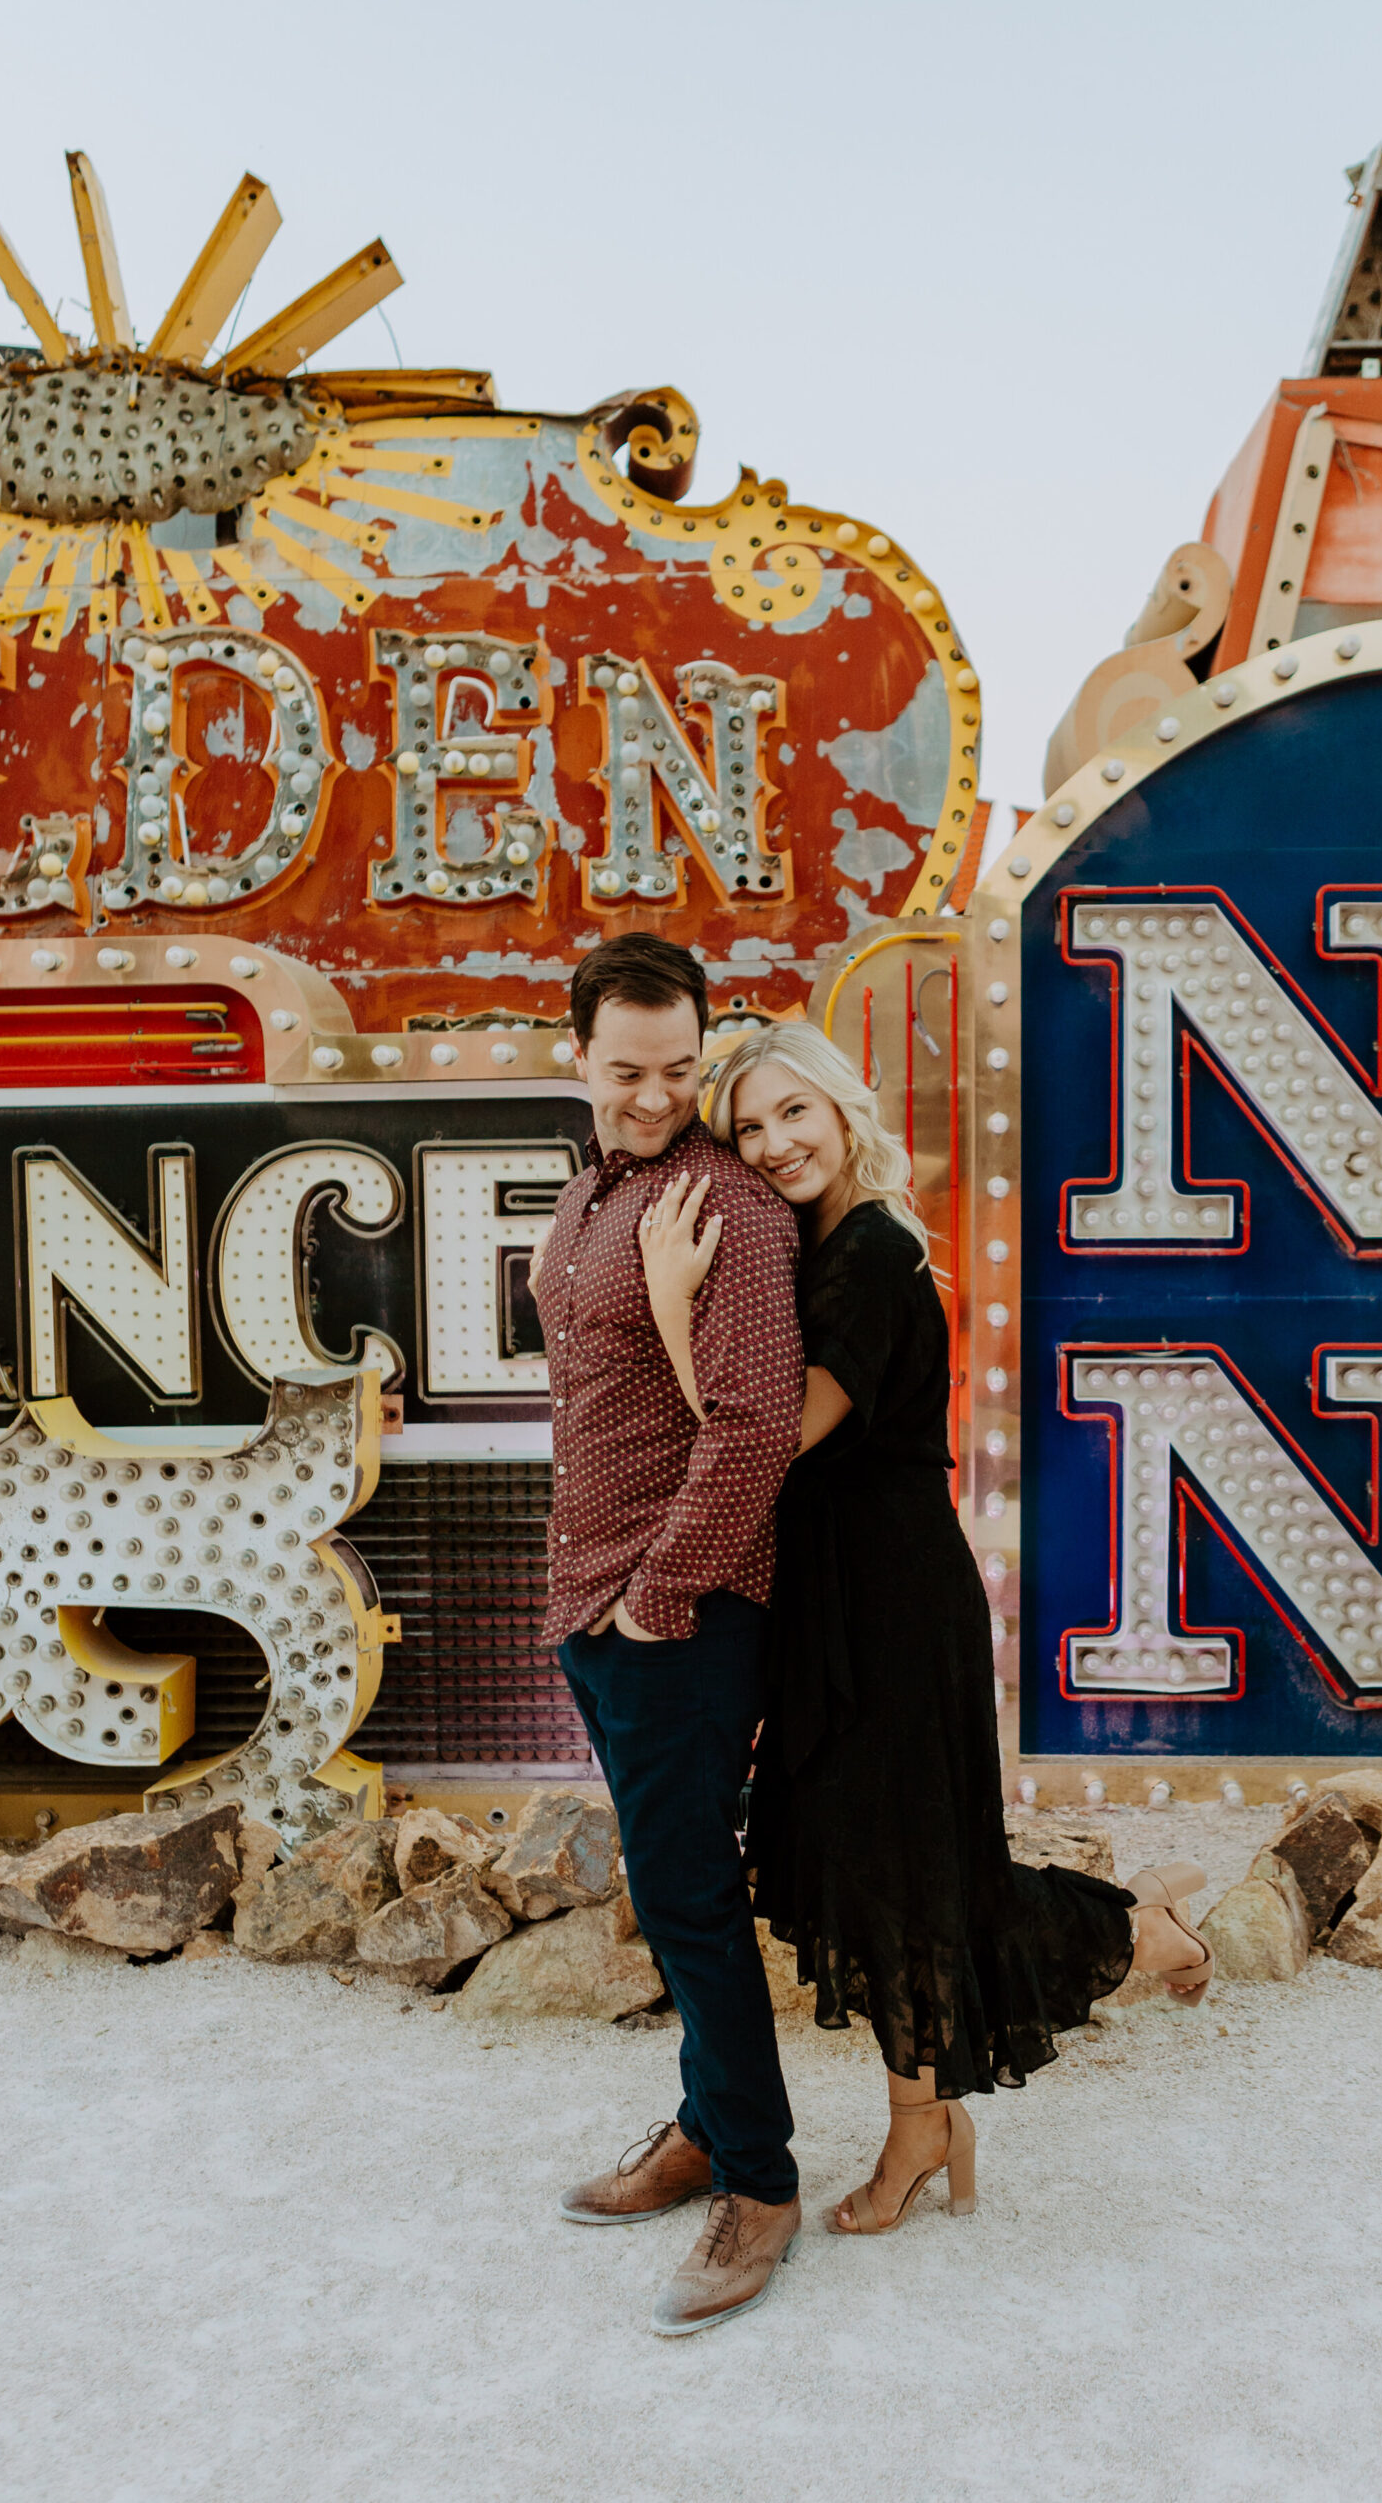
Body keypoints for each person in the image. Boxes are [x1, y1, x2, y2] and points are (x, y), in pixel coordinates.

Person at [638, 1018, 1214, 2237]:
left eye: (797, 1111)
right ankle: (1128, 1930)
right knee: (884, 1863)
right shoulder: (824, 1244)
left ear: (846, 1109)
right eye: (750, 1125)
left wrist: (670, 1301)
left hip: (889, 1601)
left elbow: (765, 1436)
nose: (776, 1140)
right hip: (838, 1593)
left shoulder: (873, 1253)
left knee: (902, 1871)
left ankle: (948, 2102)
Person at [536, 932, 806, 2336]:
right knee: (670, 1882)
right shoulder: (593, 1191)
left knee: (691, 1894)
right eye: (626, 1069)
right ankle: (706, 2123)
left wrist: (656, 1596)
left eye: (677, 1069)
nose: (653, 1095)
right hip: (595, 1599)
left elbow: (757, 1423)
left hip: (677, 1612)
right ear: (575, 1054)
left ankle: (756, 2184)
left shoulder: (726, 1207)